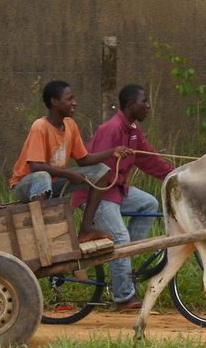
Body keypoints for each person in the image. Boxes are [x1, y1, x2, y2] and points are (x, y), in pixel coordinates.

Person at [72, 83, 175, 312]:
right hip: (95, 192)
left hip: (115, 190)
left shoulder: (133, 131)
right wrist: (87, 221)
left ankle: (125, 265)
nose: (148, 106)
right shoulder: (112, 129)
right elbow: (99, 176)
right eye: (144, 102)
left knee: (149, 204)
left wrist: (176, 175)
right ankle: (123, 298)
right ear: (131, 105)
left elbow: (150, 160)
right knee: (120, 237)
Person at [9, 80, 131, 243]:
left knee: (102, 171)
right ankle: (42, 233)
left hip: (52, 183)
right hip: (27, 185)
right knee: (43, 176)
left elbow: (84, 159)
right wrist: (68, 174)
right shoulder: (40, 127)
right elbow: (35, 166)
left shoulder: (70, 125)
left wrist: (112, 152)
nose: (75, 103)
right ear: (55, 102)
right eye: (70, 99)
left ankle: (86, 228)